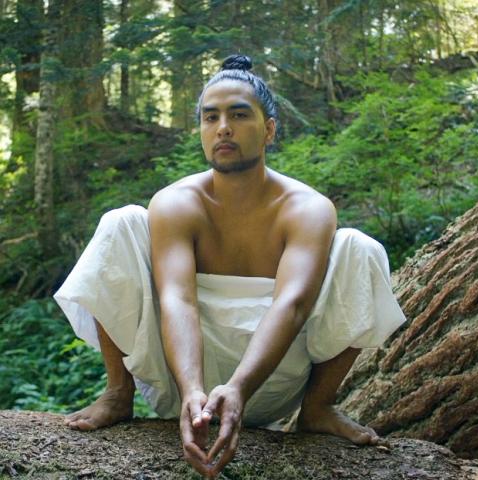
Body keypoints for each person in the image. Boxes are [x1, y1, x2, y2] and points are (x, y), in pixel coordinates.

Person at [54, 54, 406, 478]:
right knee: (121, 222)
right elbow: (177, 299)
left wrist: (238, 387)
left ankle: (317, 408)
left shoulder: (308, 209)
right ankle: (117, 392)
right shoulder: (176, 203)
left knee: (360, 246)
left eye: (239, 115)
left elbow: (292, 305)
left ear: (269, 129)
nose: (223, 127)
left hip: (270, 380)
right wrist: (190, 390)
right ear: (200, 130)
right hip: (179, 378)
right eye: (210, 117)